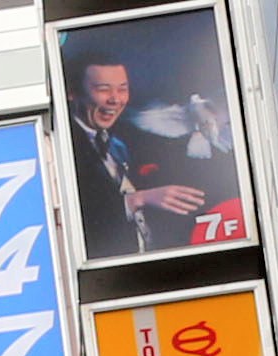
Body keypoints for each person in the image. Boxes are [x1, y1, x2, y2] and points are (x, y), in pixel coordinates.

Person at [61, 47, 236, 260]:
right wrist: (139, 199)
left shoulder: (118, 144)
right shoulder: (65, 149)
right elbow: (75, 218)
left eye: (122, 89)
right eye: (103, 89)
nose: (115, 99)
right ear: (72, 92)